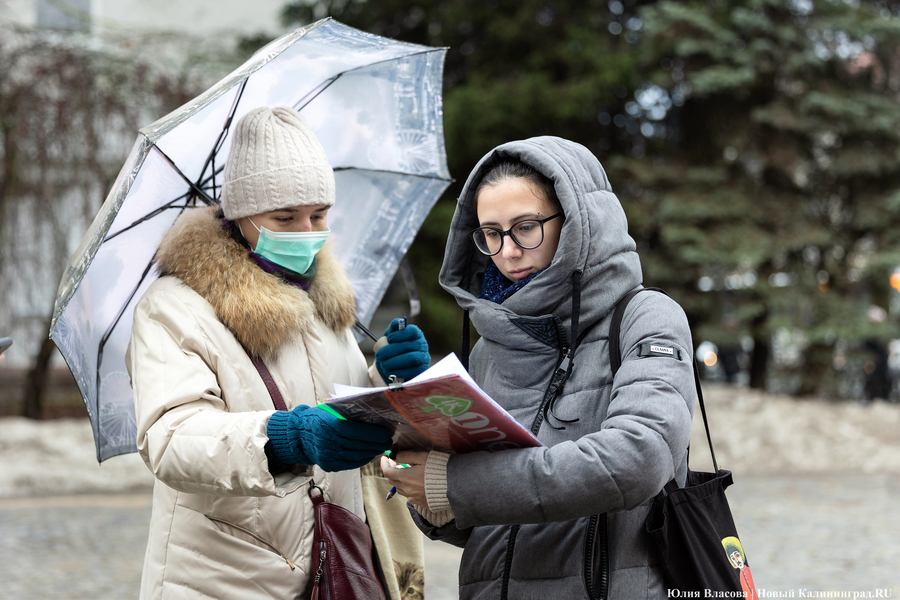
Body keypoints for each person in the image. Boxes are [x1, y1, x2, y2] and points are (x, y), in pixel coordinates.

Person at [126, 107, 430, 600]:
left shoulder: (323, 299)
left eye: (319, 214)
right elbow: (171, 438)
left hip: (332, 563)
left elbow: (341, 403)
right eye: (285, 217)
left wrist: (388, 380)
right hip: (224, 578)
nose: (307, 231)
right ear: (240, 214)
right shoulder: (173, 308)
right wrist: (286, 438)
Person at [382, 136, 697, 599]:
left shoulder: (645, 317)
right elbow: (484, 525)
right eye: (491, 233)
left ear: (576, 223)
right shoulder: (491, 345)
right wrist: (430, 495)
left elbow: (640, 457)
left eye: (525, 227)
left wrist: (454, 484)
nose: (507, 251)